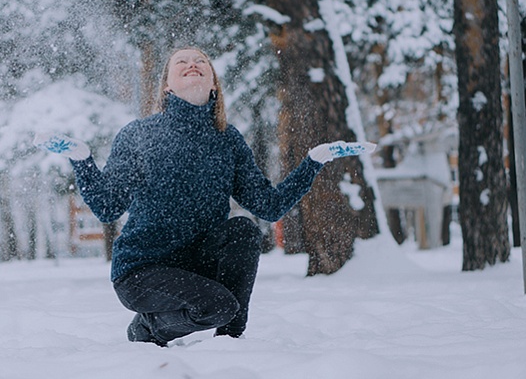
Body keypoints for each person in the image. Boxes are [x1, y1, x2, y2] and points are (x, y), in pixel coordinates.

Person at [36, 47, 375, 346]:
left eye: (201, 61)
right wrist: (82, 159)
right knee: (218, 307)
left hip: (197, 265)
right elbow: (107, 207)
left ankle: (229, 342)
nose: (192, 63)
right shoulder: (140, 134)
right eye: (181, 61)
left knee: (243, 230)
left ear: (213, 83)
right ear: (167, 85)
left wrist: (314, 161)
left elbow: (269, 207)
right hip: (143, 270)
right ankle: (148, 330)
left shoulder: (227, 139)